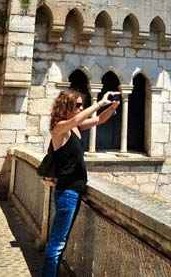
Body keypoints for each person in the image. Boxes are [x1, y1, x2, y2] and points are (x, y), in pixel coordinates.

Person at [40, 89, 119, 277]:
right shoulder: (59, 128)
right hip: (67, 192)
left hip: (73, 191)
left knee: (60, 242)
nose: (81, 108)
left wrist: (112, 106)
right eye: (78, 105)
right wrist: (99, 103)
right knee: (57, 244)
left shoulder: (75, 128)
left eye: (82, 105)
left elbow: (99, 120)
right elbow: (75, 121)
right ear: (66, 106)